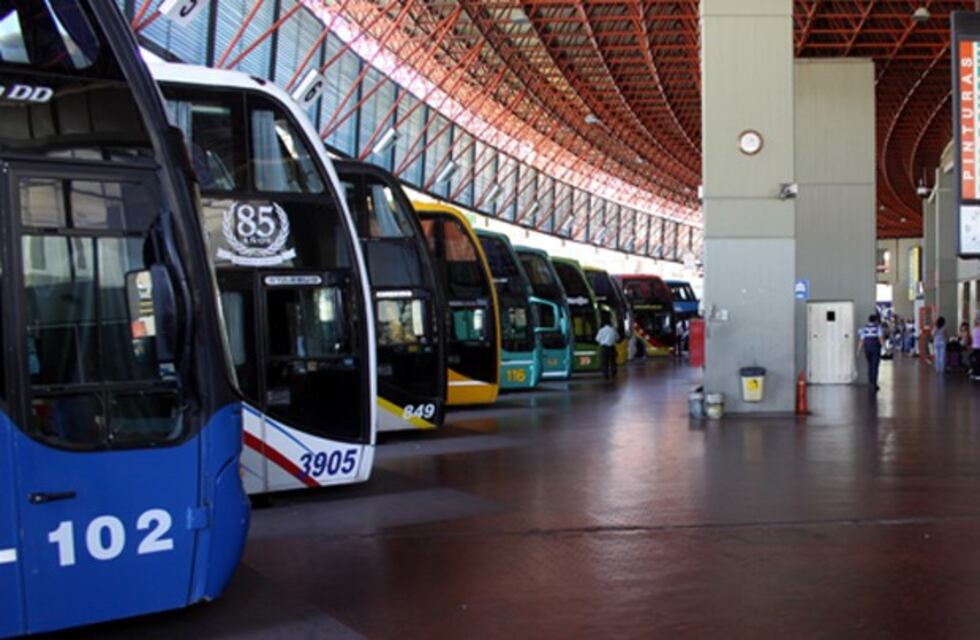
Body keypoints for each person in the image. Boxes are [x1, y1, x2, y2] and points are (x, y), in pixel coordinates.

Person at [856, 314, 885, 391]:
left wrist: (858, 350)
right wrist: (885, 348)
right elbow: (880, 338)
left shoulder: (864, 328)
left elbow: (862, 340)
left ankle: (870, 380)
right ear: (875, 320)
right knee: (875, 365)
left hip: (867, 348)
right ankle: (874, 382)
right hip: (875, 348)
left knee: (870, 364)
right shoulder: (877, 328)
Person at [595, 315, 620, 381]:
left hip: (604, 348)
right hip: (611, 347)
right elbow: (617, 338)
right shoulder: (613, 330)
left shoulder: (601, 330)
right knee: (612, 361)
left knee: (604, 362)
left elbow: (597, 339)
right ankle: (613, 373)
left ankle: (605, 375)